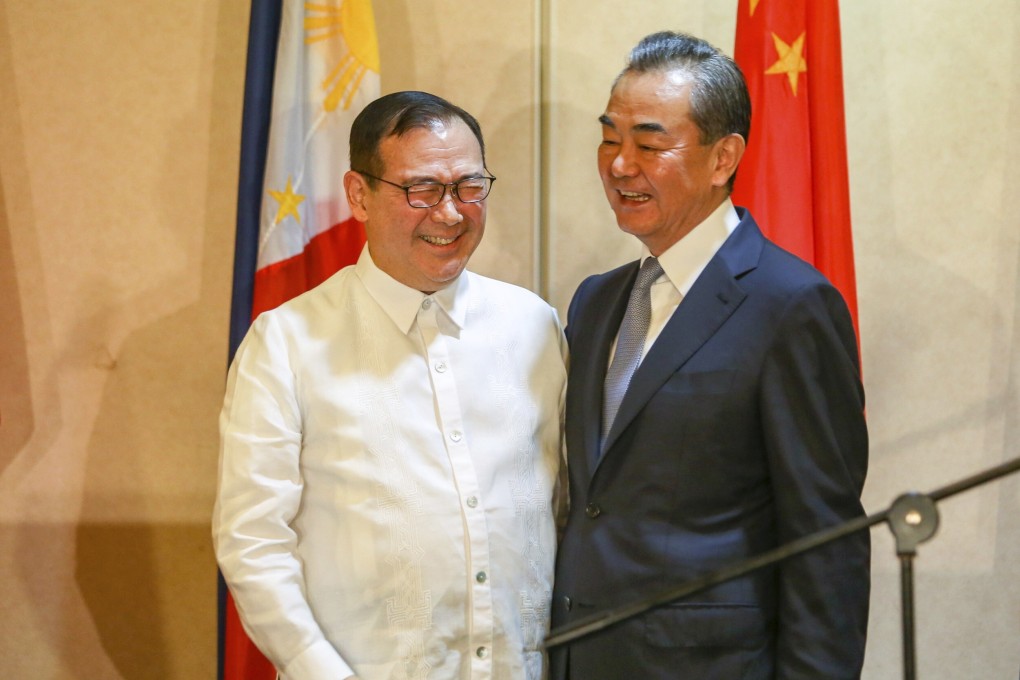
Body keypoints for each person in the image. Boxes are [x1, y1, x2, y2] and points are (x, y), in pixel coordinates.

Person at [213, 91, 567, 680]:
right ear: (359, 194)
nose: (450, 213)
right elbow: (253, 541)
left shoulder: (533, 325)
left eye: (469, 186)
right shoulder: (287, 342)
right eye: (421, 190)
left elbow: (567, 507)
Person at [550, 31, 869, 679]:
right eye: (610, 138)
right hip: (579, 658)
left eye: (648, 142)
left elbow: (823, 541)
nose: (618, 164)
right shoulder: (594, 301)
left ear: (724, 157)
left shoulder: (791, 306)